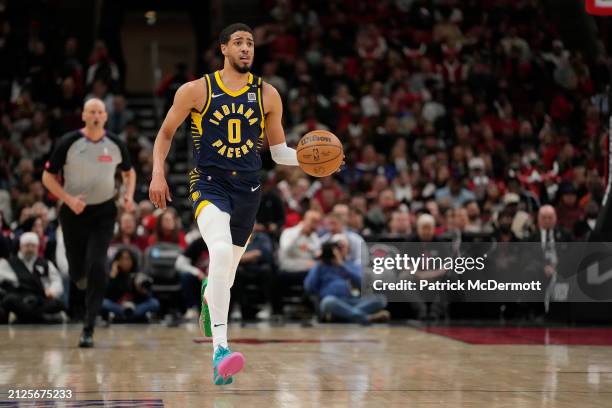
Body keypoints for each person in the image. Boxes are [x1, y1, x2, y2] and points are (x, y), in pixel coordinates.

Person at [148, 23, 330, 385]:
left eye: (249, 43)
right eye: (238, 43)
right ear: (223, 49)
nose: (246, 48)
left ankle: (208, 294)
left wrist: (312, 162)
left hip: (248, 191)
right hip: (209, 184)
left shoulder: (268, 94)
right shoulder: (197, 90)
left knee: (225, 277)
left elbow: (279, 153)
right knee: (217, 251)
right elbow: (166, 132)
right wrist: (157, 173)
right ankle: (220, 350)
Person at [41, 98, 136, 347]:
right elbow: (47, 177)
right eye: (91, 111)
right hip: (73, 213)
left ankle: (88, 326)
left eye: (100, 112)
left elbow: (129, 172)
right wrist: (68, 199)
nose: (96, 115)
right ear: (83, 115)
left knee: (97, 265)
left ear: (105, 116)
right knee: (77, 272)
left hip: (104, 212)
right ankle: (79, 276)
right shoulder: (68, 142)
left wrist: (128, 196)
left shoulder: (115, 144)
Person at [304, 236, 389, 324]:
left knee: (380, 299)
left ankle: (341, 316)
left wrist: (342, 266)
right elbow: (309, 288)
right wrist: (318, 264)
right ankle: (364, 318)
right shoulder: (320, 266)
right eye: (337, 247)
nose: (340, 250)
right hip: (333, 301)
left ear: (348, 249)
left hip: (352, 301)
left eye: (342, 247)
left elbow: (362, 284)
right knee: (328, 302)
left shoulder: (352, 265)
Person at [0, 232, 65, 323]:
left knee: (58, 304)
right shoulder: (8, 263)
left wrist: (52, 291)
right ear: (21, 246)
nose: (30, 249)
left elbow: (56, 281)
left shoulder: (45, 264)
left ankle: (23, 318)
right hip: (20, 298)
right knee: (9, 300)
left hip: (40, 299)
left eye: (33, 246)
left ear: (37, 247)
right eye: (27, 245)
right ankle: (42, 318)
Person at [101, 248, 159, 322]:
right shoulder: (113, 274)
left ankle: (126, 316)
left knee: (154, 303)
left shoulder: (139, 273)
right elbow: (106, 295)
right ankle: (132, 316)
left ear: (132, 260)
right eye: (122, 259)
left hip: (136, 306)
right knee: (103, 303)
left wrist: (140, 290)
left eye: (128, 259)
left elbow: (149, 296)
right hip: (119, 306)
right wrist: (112, 277)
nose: (125, 262)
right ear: (117, 261)